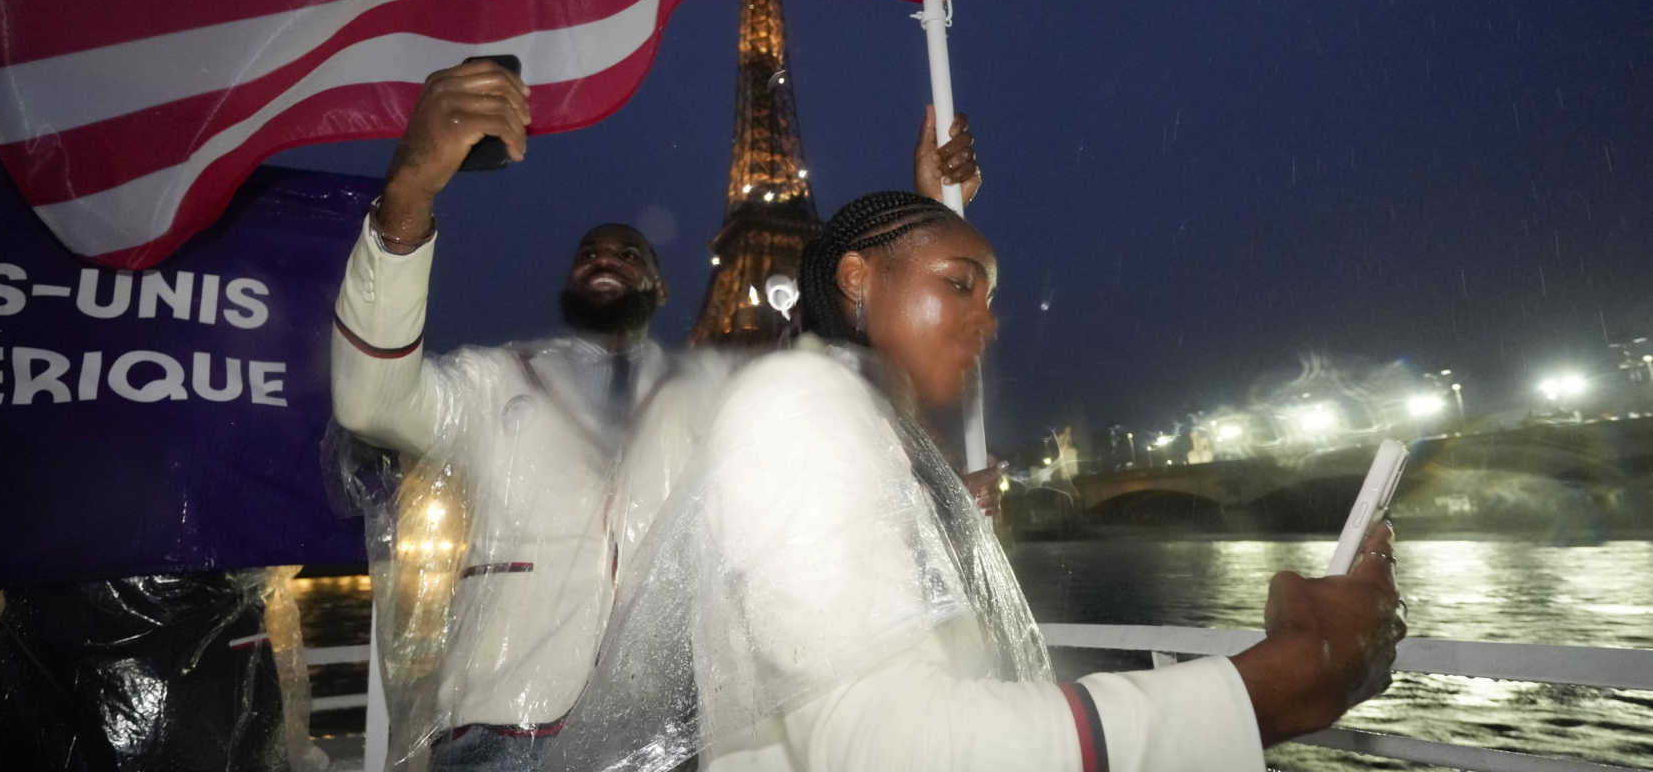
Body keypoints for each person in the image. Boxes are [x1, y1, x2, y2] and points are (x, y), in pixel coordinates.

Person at [543, 191, 1405, 772]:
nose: (987, 322)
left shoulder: (867, 433)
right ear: (854, 279)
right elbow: (891, 747)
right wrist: (1258, 691)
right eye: (959, 286)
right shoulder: (797, 402)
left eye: (989, 296)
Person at [329, 62, 987, 770]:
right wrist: (410, 191)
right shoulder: (491, 382)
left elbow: (839, 376)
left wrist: (927, 221)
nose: (605, 259)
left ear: (662, 286)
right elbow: (373, 398)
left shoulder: (707, 389)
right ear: (570, 280)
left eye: (628, 252)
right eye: (590, 253)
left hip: (658, 731)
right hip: (499, 727)